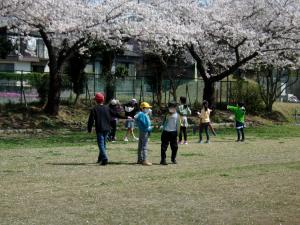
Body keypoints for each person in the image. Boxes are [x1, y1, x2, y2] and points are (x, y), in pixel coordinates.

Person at [87, 93, 112, 166]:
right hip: (107, 128)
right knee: (103, 144)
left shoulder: (94, 109)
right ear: (103, 100)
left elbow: (91, 120)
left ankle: (104, 158)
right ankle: (100, 158)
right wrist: (126, 117)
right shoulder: (107, 108)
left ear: (96, 100)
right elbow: (114, 114)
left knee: (101, 144)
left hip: (100, 128)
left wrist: (89, 129)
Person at [160, 101, 180, 165]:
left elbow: (178, 125)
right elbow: (163, 122)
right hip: (166, 132)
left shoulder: (177, 115)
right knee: (164, 147)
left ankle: (173, 159)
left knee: (175, 147)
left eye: (173, 107)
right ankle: (163, 160)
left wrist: (178, 134)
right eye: (170, 107)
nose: (172, 108)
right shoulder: (167, 115)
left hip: (173, 133)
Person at [134, 102, 153, 166]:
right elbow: (146, 124)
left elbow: (136, 119)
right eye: (147, 108)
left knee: (140, 146)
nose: (148, 109)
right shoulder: (143, 115)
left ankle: (140, 159)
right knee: (144, 146)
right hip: (145, 131)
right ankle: (144, 160)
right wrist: (150, 128)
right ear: (143, 108)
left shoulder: (140, 114)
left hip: (141, 131)